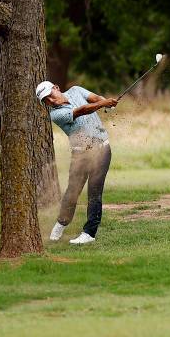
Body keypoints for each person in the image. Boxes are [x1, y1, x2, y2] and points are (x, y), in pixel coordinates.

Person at [35, 81, 118, 244]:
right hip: (80, 155)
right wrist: (104, 103)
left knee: (95, 192)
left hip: (101, 150)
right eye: (46, 101)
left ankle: (89, 233)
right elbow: (82, 110)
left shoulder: (76, 90)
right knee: (72, 192)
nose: (50, 101)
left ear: (56, 88)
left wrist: (107, 103)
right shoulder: (55, 115)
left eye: (50, 95)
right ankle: (62, 222)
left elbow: (94, 99)